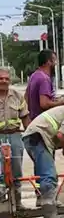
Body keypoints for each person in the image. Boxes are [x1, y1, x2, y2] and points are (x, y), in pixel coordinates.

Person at [0, 67, 30, 206]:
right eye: (1, 79)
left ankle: (18, 202)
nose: (4, 81)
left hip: (15, 136)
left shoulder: (18, 96)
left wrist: (31, 135)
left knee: (16, 169)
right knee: (0, 171)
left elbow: (25, 117)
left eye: (6, 79)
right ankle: (3, 203)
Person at [25, 49, 64, 120]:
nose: (56, 64)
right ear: (48, 62)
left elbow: (26, 97)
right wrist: (61, 102)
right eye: (54, 60)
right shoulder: (44, 79)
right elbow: (44, 104)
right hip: (43, 122)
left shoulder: (34, 75)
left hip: (33, 120)